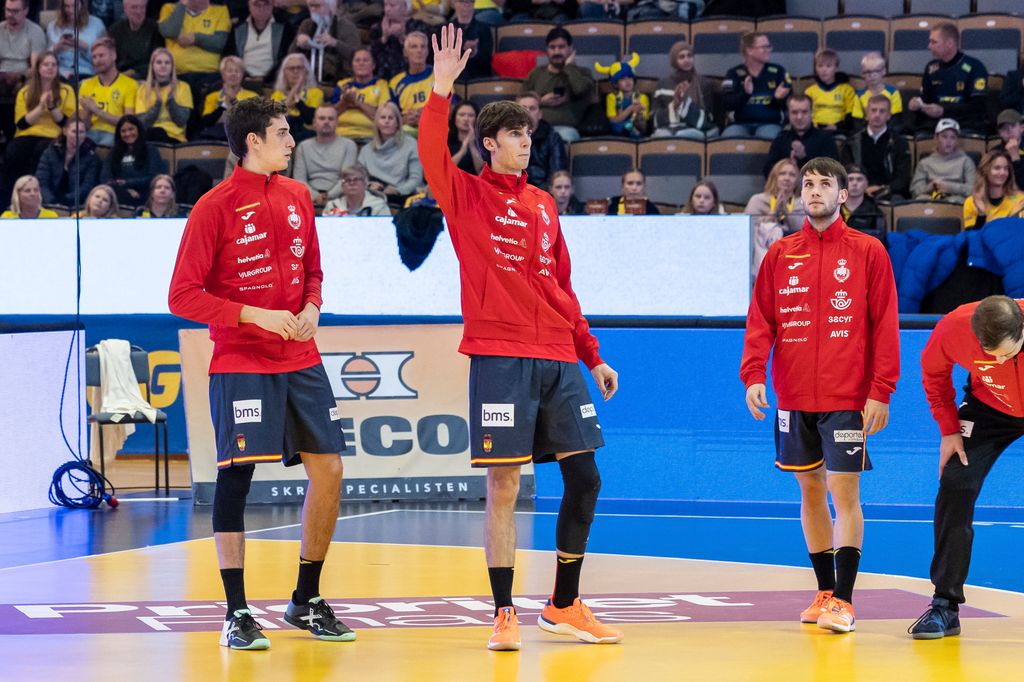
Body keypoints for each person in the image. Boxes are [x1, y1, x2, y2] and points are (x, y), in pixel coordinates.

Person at [421, 25, 623, 651]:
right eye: (515, 135)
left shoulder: (542, 204)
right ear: (490, 144)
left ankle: (563, 604)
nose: (526, 142)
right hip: (501, 357)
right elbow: (430, 154)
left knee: (585, 477)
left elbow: (562, 285)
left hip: (559, 357)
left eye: (529, 134)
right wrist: (440, 90)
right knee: (504, 484)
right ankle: (504, 611)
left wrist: (592, 355)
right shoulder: (466, 196)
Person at [167, 96, 355, 651]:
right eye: (283, 132)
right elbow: (182, 295)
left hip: (301, 356)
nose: (292, 141)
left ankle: (306, 599)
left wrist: (313, 306)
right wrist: (254, 314)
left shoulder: (298, 195)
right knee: (237, 476)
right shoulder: (214, 206)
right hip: (241, 360)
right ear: (253, 141)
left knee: (330, 470)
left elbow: (313, 269)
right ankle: (236, 613)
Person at [741, 156, 900, 636]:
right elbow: (761, 321)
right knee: (809, 489)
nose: (814, 191)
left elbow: (885, 326)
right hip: (792, 397)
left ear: (842, 195)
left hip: (847, 397)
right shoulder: (780, 254)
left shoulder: (868, 251)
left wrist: (881, 391)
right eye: (807, 184)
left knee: (843, 492)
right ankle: (825, 591)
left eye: (824, 184)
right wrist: (753, 375)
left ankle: (845, 600)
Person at [909, 295, 1024, 640]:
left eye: (1008, 353)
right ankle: (944, 605)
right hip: (990, 408)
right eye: (992, 356)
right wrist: (948, 429)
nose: (1000, 361)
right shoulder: (954, 327)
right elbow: (934, 372)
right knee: (955, 484)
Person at [2, 51, 76, 209]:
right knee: (12, 152)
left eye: (54, 65)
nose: (50, 68)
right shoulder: (25, 91)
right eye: (46, 64)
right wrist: (41, 107)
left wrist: (52, 107)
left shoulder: (67, 90)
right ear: (38, 68)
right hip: (27, 134)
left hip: (53, 135)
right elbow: (22, 124)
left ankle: (35, 198)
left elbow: (66, 123)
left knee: (42, 150)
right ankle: (10, 201)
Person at [908, 22, 987, 135]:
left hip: (964, 125)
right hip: (934, 125)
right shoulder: (931, 68)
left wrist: (944, 110)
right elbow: (925, 98)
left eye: (934, 42)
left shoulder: (975, 67)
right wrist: (916, 104)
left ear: (949, 44)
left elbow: (978, 106)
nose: (929, 46)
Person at [521, 27, 596, 144]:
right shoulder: (536, 73)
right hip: (536, 128)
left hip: (566, 129)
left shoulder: (583, 73)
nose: (556, 52)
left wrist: (569, 66)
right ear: (547, 50)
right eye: (552, 47)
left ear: (571, 49)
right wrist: (540, 101)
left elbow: (580, 89)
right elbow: (520, 103)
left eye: (561, 47)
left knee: (562, 139)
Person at [840, 94, 911, 201]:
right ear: (867, 114)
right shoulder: (851, 143)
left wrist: (883, 189)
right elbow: (845, 173)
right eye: (873, 110)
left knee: (898, 200)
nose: (877, 115)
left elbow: (903, 178)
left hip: (889, 193)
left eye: (882, 111)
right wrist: (863, 189)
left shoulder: (900, 143)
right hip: (857, 192)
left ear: (888, 115)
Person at [722, 31, 790, 140]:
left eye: (769, 46)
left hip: (770, 124)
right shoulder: (734, 73)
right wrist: (745, 94)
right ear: (750, 50)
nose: (769, 50)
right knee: (728, 139)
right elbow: (727, 104)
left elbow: (790, 104)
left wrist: (779, 99)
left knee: (770, 138)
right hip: (740, 124)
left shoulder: (778, 71)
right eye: (764, 47)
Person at [158, 0, 231, 101]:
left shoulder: (220, 10)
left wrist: (195, 38)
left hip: (208, 74)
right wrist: (182, 5)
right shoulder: (169, 8)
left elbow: (219, 43)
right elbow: (169, 31)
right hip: (176, 74)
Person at [357, 100, 423, 205]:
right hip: (373, 196)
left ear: (397, 123)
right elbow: (358, 178)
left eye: (391, 118)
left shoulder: (411, 145)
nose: (386, 121)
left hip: (402, 196)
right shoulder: (366, 150)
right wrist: (369, 185)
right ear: (377, 122)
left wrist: (398, 190)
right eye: (383, 118)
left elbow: (416, 180)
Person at [746, 158, 804, 276]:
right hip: (761, 254)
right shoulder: (757, 200)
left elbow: (804, 229)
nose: (787, 178)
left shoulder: (802, 203)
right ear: (774, 177)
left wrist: (786, 211)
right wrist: (773, 212)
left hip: (794, 255)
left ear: (797, 181)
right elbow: (748, 229)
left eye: (792, 175)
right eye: (782, 173)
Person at [291, 104, 358, 207]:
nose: (326, 122)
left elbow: (347, 178)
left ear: (337, 122)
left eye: (330, 119)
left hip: (341, 198)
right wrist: (314, 196)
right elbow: (299, 179)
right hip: (308, 198)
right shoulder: (303, 147)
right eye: (322, 118)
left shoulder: (349, 145)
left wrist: (328, 196)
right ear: (314, 123)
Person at [77, 38, 138, 147]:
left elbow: (128, 122)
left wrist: (97, 111)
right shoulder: (86, 85)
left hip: (115, 133)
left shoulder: (130, 85)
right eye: (94, 57)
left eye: (101, 55)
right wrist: (88, 113)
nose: (97, 60)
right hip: (90, 133)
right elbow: (84, 126)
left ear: (113, 56)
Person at [0, 0, 47, 143]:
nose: (10, 14)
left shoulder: (35, 31)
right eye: (8, 10)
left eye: (15, 11)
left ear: (26, 11)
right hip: (1, 74)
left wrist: (19, 77)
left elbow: (36, 67)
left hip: (24, 76)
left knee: (28, 86)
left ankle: (16, 135)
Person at [652, 41, 716, 140]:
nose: (686, 60)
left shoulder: (704, 83)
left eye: (689, 56)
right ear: (674, 60)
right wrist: (674, 105)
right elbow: (655, 120)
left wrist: (685, 104)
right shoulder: (662, 84)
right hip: (667, 129)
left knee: (683, 135)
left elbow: (708, 119)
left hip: (695, 129)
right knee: (663, 136)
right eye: (681, 57)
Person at [763, 94, 839, 177]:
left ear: (812, 113)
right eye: (794, 112)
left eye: (804, 112)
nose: (799, 117)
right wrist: (787, 166)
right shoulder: (780, 139)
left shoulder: (826, 139)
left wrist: (803, 159)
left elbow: (833, 174)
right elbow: (767, 171)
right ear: (788, 114)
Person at [100, 115, 169, 206]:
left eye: (131, 129)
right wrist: (126, 189)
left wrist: (127, 183)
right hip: (119, 192)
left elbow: (154, 177)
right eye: (123, 131)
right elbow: (105, 177)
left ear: (138, 130)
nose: (127, 134)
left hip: (144, 194)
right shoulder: (114, 151)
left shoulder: (150, 149)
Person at [36, 114, 101, 208]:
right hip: (48, 203)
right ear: (65, 131)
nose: (78, 136)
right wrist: (51, 201)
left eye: (81, 132)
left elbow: (87, 187)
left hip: (77, 206)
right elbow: (41, 181)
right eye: (74, 132)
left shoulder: (92, 157)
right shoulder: (50, 152)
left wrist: (65, 201)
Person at [290, 0, 360, 84]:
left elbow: (357, 55)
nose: (313, 10)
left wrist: (335, 43)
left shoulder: (347, 27)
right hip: (306, 77)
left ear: (330, 8)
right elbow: (290, 55)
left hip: (339, 78)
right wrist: (299, 44)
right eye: (311, 6)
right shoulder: (307, 24)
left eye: (317, 6)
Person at [330, 48, 390, 143]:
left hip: (370, 137)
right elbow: (330, 115)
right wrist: (344, 102)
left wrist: (357, 102)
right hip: (341, 136)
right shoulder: (342, 85)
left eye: (365, 60)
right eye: (357, 60)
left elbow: (383, 117)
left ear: (373, 65)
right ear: (352, 65)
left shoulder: (382, 85)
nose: (361, 63)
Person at [135, 47, 193, 144]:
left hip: (175, 138)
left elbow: (181, 121)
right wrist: (158, 104)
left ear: (172, 66)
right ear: (152, 66)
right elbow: (142, 124)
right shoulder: (143, 89)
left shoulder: (183, 87)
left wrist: (170, 100)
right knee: (154, 132)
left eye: (167, 63)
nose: (163, 66)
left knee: (158, 132)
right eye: (159, 62)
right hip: (150, 138)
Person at [911, 118, 976, 203]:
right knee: (921, 200)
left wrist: (950, 187)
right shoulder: (925, 163)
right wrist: (932, 186)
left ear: (957, 141)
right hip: (931, 197)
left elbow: (974, 190)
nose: (948, 141)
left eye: (953, 137)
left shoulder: (966, 161)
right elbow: (915, 191)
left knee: (956, 201)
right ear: (936, 138)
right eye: (944, 136)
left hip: (956, 199)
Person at [198, 56, 260, 141]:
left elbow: (253, 122)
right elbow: (207, 122)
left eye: (237, 71)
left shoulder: (252, 96)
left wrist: (233, 100)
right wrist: (224, 104)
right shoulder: (212, 96)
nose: (233, 74)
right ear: (223, 74)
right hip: (216, 138)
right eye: (229, 71)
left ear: (242, 75)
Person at [234, 0, 294, 87]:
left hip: (273, 82)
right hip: (242, 81)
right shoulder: (238, 28)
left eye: (266, 4)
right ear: (249, 6)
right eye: (256, 4)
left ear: (273, 5)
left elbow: (287, 58)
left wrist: (266, 79)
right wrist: (244, 77)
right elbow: (230, 56)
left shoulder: (284, 27)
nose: (261, 9)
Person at [515, 91, 566, 191]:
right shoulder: (506, 138)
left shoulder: (553, 138)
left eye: (532, 108)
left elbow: (557, 176)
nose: (527, 112)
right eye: (523, 108)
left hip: (543, 193)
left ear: (540, 114)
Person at [963, 150, 1024, 230]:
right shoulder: (971, 202)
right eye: (997, 168)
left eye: (1006, 168)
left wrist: (1013, 217)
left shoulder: (1020, 200)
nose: (1002, 173)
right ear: (985, 171)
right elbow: (971, 235)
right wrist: (982, 213)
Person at [45, 0, 106, 82]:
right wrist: (56, 48)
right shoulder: (52, 27)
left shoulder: (97, 24)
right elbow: (45, 58)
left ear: (82, 5)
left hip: (87, 73)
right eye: (66, 6)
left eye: (74, 6)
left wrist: (85, 48)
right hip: (60, 73)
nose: (70, 10)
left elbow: (104, 59)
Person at [370, 0, 430, 81]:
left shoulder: (418, 26)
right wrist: (384, 37)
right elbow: (372, 56)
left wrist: (402, 37)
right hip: (383, 79)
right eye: (385, 5)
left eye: (392, 5)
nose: (387, 9)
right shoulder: (377, 28)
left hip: (413, 78)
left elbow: (424, 52)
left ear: (405, 8)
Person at [389, 30, 434, 136]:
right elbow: (390, 116)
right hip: (406, 130)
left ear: (427, 51)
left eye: (423, 47)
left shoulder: (440, 75)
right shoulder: (395, 82)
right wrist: (404, 120)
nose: (419, 50)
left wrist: (426, 114)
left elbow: (451, 108)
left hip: (434, 126)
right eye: (414, 47)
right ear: (405, 52)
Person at [271, 52, 323, 143]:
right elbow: (277, 116)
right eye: (291, 68)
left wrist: (298, 102)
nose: (295, 71)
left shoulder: (315, 92)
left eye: (299, 68)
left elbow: (310, 118)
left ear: (306, 71)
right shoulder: (277, 94)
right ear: (284, 72)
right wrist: (296, 88)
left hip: (307, 134)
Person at [596, 53, 649, 139]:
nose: (628, 81)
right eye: (622, 79)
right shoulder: (612, 97)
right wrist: (630, 108)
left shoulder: (642, 97)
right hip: (618, 128)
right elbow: (613, 120)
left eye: (630, 77)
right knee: (619, 127)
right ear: (615, 84)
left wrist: (639, 114)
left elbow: (644, 119)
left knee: (635, 130)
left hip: (636, 126)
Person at [108, 0, 163, 79]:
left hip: (146, 77)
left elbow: (158, 59)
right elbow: (110, 58)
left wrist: (134, 71)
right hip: (120, 76)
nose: (138, 11)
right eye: (134, 7)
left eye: (142, 7)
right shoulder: (115, 30)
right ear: (125, 9)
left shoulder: (155, 29)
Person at [804, 48, 855, 133]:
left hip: (838, 130)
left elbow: (850, 118)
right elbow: (805, 116)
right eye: (820, 66)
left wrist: (837, 127)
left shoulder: (847, 90)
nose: (824, 70)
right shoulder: (809, 92)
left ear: (836, 68)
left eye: (828, 66)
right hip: (815, 131)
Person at [443, 0, 492, 81]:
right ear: (454, 3)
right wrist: (462, 45)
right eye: (463, 1)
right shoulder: (446, 28)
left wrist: (474, 52)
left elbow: (486, 59)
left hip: (477, 76)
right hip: (452, 77)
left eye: (470, 1)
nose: (467, 5)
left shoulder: (484, 28)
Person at [851, 51, 902, 128]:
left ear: (883, 71)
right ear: (863, 74)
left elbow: (895, 119)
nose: (872, 75)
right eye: (868, 72)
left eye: (876, 71)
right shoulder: (859, 96)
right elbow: (857, 122)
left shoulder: (893, 93)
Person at [322, 163, 392, 216]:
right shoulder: (332, 206)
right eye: (348, 180)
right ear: (342, 186)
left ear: (365, 184)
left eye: (356, 179)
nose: (352, 183)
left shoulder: (379, 206)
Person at [840, 164, 885, 238]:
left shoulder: (875, 213)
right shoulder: (833, 210)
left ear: (866, 184)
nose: (855, 183)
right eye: (850, 179)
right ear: (843, 183)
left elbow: (880, 241)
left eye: (859, 179)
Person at [448, 99, 484, 175]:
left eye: (471, 115)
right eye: (462, 115)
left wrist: (472, 145)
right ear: (454, 118)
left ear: (476, 119)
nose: (466, 119)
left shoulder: (483, 141)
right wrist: (462, 151)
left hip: (474, 180)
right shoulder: (446, 140)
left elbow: (482, 172)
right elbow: (445, 170)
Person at [992, 109, 1024, 184]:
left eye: (1013, 126)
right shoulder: (994, 153)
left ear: (1022, 128)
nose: (1009, 131)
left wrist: (1015, 157)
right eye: (1004, 128)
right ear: (999, 133)